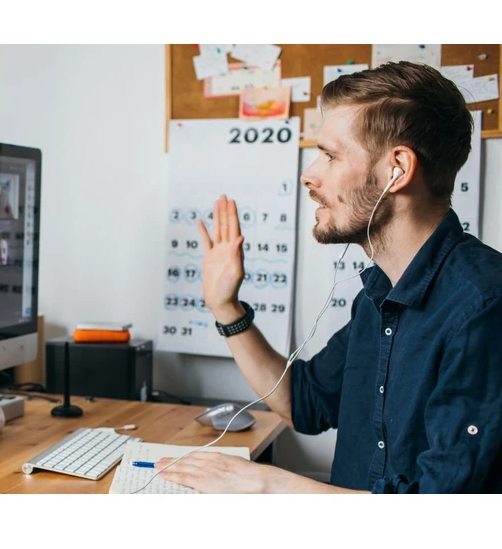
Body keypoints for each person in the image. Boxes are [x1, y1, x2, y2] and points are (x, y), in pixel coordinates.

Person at [156, 61, 502, 494]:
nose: (310, 175)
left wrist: (267, 488)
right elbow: (302, 403)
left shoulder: (484, 304)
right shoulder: (378, 295)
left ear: (397, 169)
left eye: (330, 155)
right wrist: (225, 307)